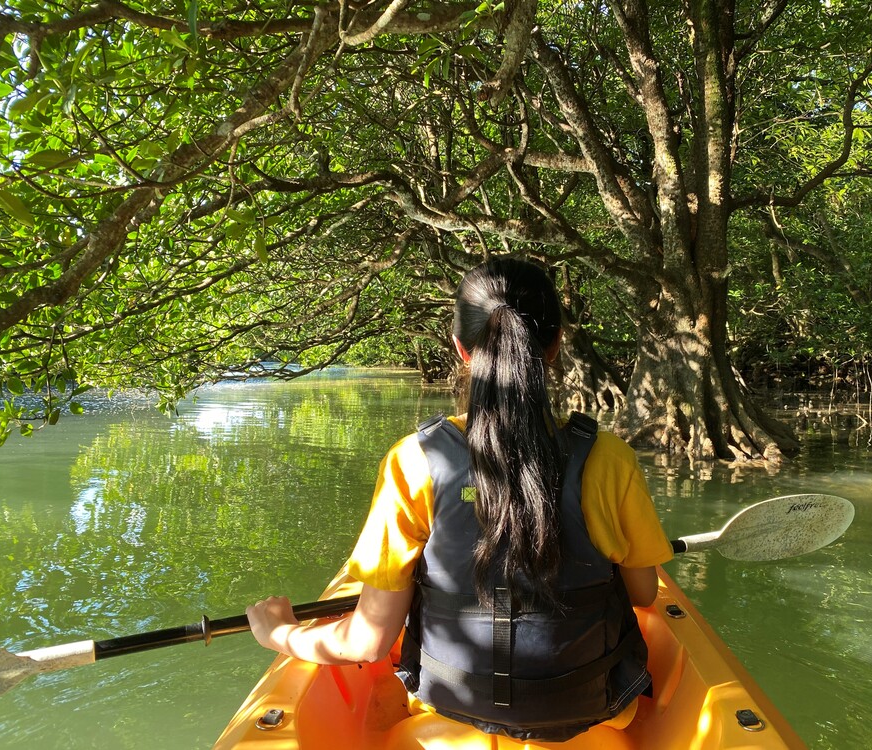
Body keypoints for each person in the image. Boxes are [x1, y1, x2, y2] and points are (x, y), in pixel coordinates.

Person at [246, 257, 672, 741]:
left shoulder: (414, 461)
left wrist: (278, 633)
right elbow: (641, 594)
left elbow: (367, 641)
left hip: (449, 717)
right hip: (598, 711)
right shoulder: (609, 458)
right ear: (555, 347)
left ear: (461, 349)